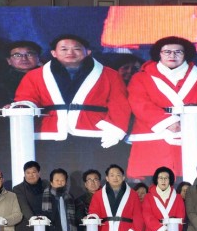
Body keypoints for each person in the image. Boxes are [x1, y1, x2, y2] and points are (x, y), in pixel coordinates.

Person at [14, 34, 132, 169]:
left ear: (88, 52)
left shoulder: (110, 75)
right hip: (49, 134)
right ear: (54, 53)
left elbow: (120, 105)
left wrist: (115, 130)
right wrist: (24, 105)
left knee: (92, 175)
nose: (70, 52)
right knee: (51, 175)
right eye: (64, 49)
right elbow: (26, 98)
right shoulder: (34, 76)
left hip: (94, 133)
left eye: (76, 49)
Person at [126, 36, 197, 179]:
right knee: (156, 180)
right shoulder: (141, 78)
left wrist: (187, 124)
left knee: (196, 179)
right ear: (159, 54)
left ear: (186, 55)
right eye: (167, 52)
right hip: (154, 133)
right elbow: (139, 103)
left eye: (178, 52)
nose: (172, 55)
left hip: (193, 132)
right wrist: (168, 122)